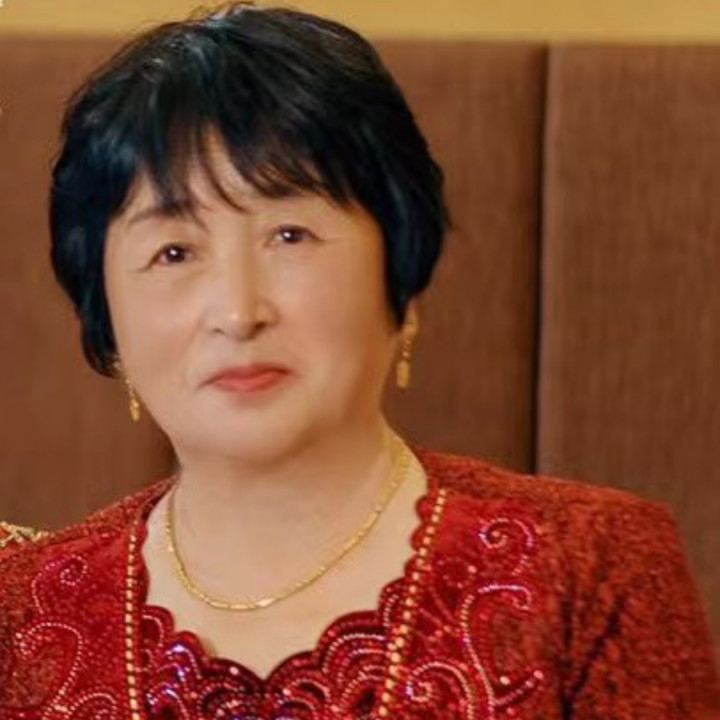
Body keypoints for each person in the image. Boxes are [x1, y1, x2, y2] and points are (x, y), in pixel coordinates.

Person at [0, 2, 718, 718]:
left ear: (399, 273)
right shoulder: (22, 613)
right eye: (174, 252)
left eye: (290, 235)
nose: (238, 312)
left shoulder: (591, 570)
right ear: (107, 322)